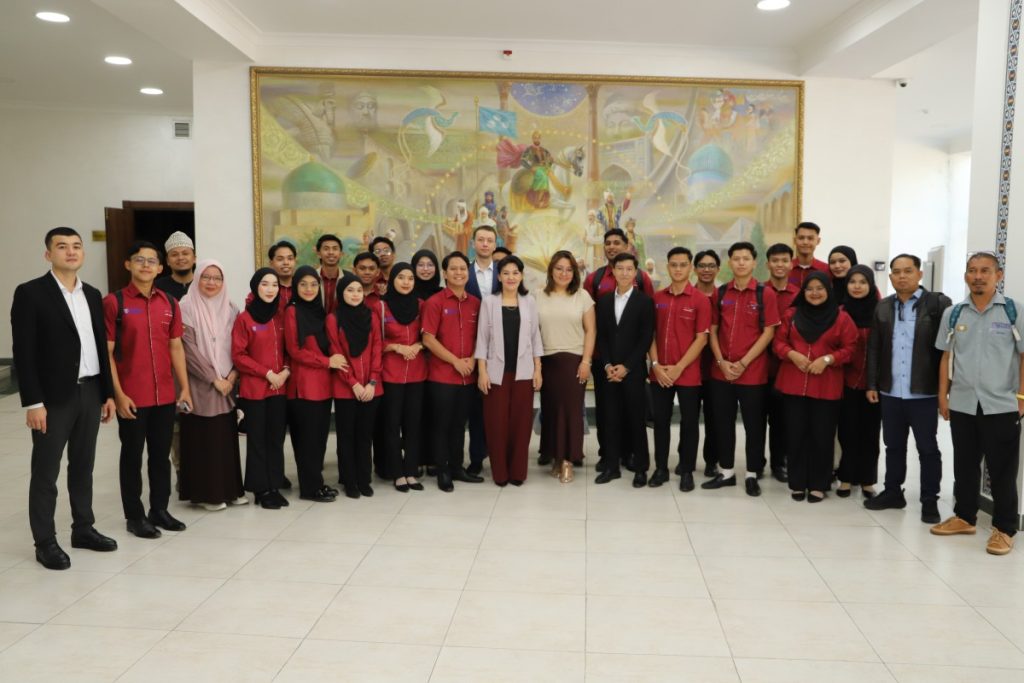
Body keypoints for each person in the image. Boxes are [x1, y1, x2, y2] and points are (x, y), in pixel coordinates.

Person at [12, 226, 118, 570]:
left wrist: (107, 393)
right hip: (53, 398)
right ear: (48, 254)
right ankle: (45, 541)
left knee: (84, 465)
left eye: (76, 246)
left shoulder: (92, 294)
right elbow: (24, 353)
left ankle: (83, 528)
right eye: (62, 246)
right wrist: (33, 403)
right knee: (46, 471)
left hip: (90, 390)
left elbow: (100, 347)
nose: (71, 251)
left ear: (83, 253)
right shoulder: (31, 293)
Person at [931, 252, 1024, 555]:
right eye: (972, 270)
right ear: (965, 276)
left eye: (985, 271)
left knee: (1002, 470)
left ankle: (1004, 528)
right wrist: (943, 395)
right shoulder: (954, 313)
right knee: (965, 465)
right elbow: (945, 357)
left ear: (998, 276)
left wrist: (1021, 397)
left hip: (1001, 404)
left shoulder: (1013, 311)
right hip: (963, 403)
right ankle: (964, 517)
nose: (978, 276)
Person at [104, 241, 191, 538]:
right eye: (139, 260)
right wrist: (118, 394)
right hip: (132, 396)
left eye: (151, 261)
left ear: (160, 268)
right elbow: (107, 352)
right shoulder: (114, 302)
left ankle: (159, 510)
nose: (145, 265)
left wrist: (184, 388)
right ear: (128, 264)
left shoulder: (170, 303)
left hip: (164, 394)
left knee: (160, 456)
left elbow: (175, 347)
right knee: (132, 456)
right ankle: (134, 516)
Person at [864, 254, 951, 523]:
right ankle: (893, 492)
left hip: (924, 391)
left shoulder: (938, 304)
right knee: (893, 446)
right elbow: (874, 348)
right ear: (890, 277)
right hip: (891, 391)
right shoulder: (883, 307)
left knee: (927, 448)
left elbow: (948, 351)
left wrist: (945, 390)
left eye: (908, 271)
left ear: (919, 274)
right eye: (897, 272)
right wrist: (872, 383)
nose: (902, 276)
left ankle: (929, 500)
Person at [705, 241, 781, 496]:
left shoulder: (764, 294)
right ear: (729, 262)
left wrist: (743, 363)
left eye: (745, 258)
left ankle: (751, 474)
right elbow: (713, 331)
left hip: (753, 372)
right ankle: (726, 472)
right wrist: (721, 362)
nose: (740, 263)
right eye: (736, 258)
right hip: (721, 372)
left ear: (754, 262)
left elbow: (769, 332)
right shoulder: (720, 293)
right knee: (723, 423)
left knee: (754, 426)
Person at [773, 272, 857, 502]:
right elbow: (778, 342)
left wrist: (828, 359)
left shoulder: (841, 318)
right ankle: (797, 483)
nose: (814, 293)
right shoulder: (791, 314)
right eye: (809, 289)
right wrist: (792, 354)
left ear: (828, 291)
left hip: (826, 385)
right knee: (796, 434)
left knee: (822, 436)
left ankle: (819, 484)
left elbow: (850, 348)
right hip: (793, 383)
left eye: (820, 288)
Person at [177, 260, 245, 511]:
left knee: (225, 438)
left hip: (227, 381)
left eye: (217, 278)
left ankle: (230, 490)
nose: (211, 282)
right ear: (197, 278)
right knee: (204, 439)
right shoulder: (185, 307)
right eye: (206, 277)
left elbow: (239, 345)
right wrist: (213, 378)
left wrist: (232, 376)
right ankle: (208, 494)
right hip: (200, 383)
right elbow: (187, 349)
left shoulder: (231, 308)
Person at [476, 255, 544, 486]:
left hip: (523, 372)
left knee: (521, 424)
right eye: (506, 273)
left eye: (515, 273)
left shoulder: (529, 301)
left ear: (521, 276)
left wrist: (538, 369)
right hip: (496, 373)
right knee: (496, 424)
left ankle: (517, 472)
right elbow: (482, 339)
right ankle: (500, 473)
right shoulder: (489, 302)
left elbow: (535, 338)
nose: (511, 277)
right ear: (499, 277)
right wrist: (482, 371)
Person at [421, 251, 485, 492]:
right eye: (453, 269)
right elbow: (428, 339)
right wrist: (455, 361)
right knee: (442, 425)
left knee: (460, 425)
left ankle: (457, 467)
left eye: (462, 269)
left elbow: (481, 337)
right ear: (445, 273)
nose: (459, 273)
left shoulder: (476, 303)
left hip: (468, 376)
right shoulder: (435, 302)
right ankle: (443, 470)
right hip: (442, 377)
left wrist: (472, 359)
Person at [649, 247, 711, 492]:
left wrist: (679, 367)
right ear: (667, 267)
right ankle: (661, 468)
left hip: (687, 373)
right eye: (673, 264)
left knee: (689, 423)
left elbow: (702, 339)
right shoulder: (657, 298)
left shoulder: (700, 300)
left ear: (691, 268)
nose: (678, 269)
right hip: (660, 372)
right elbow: (650, 335)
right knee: (661, 422)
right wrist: (656, 365)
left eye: (683, 264)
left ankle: (686, 470)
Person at [231, 269, 290, 509]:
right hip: (255, 389)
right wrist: (267, 373)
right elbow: (239, 355)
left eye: (275, 285)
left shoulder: (281, 317)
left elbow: (290, 349)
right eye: (265, 284)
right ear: (256, 287)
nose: (270, 289)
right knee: (257, 440)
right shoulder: (245, 319)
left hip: (279, 388)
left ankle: (274, 485)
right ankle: (260, 488)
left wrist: (285, 371)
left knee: (276, 439)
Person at [594, 253, 655, 487]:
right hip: (609, 372)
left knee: (636, 420)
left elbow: (645, 338)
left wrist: (627, 366)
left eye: (629, 269)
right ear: (613, 271)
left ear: (635, 272)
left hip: (633, 371)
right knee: (610, 419)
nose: (625, 273)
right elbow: (602, 337)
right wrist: (608, 365)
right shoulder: (604, 301)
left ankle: (640, 468)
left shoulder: (644, 302)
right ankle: (611, 467)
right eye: (620, 268)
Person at [285, 266, 344, 503]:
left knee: (319, 439)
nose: (309, 289)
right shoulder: (292, 311)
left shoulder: (320, 311)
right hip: (303, 387)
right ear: (296, 287)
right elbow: (294, 350)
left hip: (323, 386)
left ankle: (316, 483)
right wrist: (327, 361)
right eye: (303, 284)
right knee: (306, 441)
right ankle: (309, 489)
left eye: (313, 284)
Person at [536, 251, 595, 483]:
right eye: (559, 268)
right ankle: (556, 457)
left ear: (575, 273)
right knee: (550, 410)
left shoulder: (582, 296)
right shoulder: (538, 295)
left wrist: (586, 361)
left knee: (571, 411)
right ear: (551, 270)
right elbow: (532, 332)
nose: (564, 273)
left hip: (573, 360)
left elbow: (591, 330)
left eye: (569, 269)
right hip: (547, 360)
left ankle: (569, 459)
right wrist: (536, 365)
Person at [328, 273, 384, 498]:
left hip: (371, 388)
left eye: (359, 290)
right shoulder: (333, 319)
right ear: (341, 293)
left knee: (364, 435)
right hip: (345, 389)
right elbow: (336, 353)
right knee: (346, 436)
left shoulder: (372, 317)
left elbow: (378, 349)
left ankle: (364, 479)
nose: (355, 294)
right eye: (350, 290)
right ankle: (349, 480)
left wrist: (371, 382)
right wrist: (353, 383)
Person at [378, 264, 426, 492]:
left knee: (413, 424)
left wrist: (418, 345)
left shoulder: (421, 305)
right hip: (391, 373)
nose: (406, 282)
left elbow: (430, 334)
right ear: (392, 281)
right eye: (401, 278)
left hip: (417, 372)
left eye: (410, 278)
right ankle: (397, 472)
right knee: (391, 424)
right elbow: (375, 341)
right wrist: (396, 347)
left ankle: (411, 471)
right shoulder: (381, 307)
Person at [836, 265, 882, 499]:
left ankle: (867, 480)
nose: (857, 286)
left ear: (871, 285)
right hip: (845, 381)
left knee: (870, 433)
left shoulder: (881, 311)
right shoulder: (840, 311)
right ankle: (845, 478)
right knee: (847, 432)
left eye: (862, 282)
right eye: (852, 282)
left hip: (875, 383)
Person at [464, 225, 498, 475]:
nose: (485, 244)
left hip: (501, 347)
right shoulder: (462, 272)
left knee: (498, 406)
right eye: (481, 240)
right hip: (469, 346)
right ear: (473, 243)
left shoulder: (505, 272)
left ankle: (499, 455)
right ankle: (477, 457)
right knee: (475, 407)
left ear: (495, 244)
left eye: (489, 240)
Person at [765, 243, 800, 483]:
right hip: (761, 366)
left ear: (791, 264)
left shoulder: (799, 295)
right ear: (768, 264)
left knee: (782, 420)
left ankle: (780, 462)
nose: (780, 265)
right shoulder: (759, 291)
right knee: (758, 420)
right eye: (775, 260)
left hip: (788, 367)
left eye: (784, 260)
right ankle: (756, 463)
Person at [692, 249, 721, 477]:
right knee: (689, 419)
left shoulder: (723, 297)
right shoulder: (687, 295)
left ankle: (712, 461)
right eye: (702, 265)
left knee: (714, 418)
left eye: (711, 266)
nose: (706, 270)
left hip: (715, 369)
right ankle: (687, 460)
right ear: (695, 269)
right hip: (691, 368)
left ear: (718, 269)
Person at [583, 228, 655, 300]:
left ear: (626, 246)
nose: (611, 247)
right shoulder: (592, 279)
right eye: (608, 244)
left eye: (616, 243)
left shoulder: (641, 277)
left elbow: (650, 304)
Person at [154, 231, 195, 301]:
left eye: (185, 253)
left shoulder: (204, 284)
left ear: (194, 258)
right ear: (167, 261)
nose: (180, 258)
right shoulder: (157, 288)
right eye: (174, 255)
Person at [788, 222, 830, 288]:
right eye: (801, 238)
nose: (805, 242)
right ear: (795, 240)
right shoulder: (785, 268)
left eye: (810, 238)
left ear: (818, 241)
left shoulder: (826, 269)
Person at [316, 233, 344, 313]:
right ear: (319, 254)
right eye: (326, 249)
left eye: (335, 249)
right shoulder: (311, 277)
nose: (331, 252)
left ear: (340, 254)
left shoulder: (348, 279)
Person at [268, 241, 297, 311]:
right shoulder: (263, 289)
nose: (286, 263)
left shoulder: (302, 287)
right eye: (280, 259)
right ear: (271, 263)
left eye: (290, 258)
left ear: (295, 261)